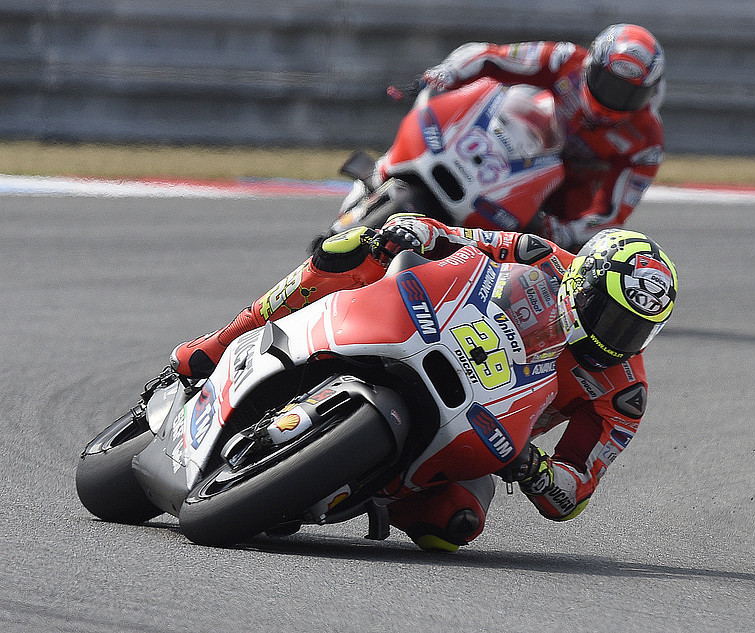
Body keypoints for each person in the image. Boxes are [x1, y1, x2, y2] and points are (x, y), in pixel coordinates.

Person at [171, 214, 677, 551]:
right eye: (610, 316)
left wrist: (536, 470)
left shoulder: (623, 395)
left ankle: (360, 487)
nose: (616, 338)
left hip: (486, 431)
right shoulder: (538, 255)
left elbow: (576, 488)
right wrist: (416, 232)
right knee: (351, 248)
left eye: (635, 330)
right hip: (438, 338)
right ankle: (224, 340)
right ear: (583, 281)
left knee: (455, 526)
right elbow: (459, 239)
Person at [420, 24, 666, 251]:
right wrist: (450, 72)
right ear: (590, 66)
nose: (612, 99)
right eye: (607, 83)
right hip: (521, 150)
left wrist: (568, 232)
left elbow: (612, 212)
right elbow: (490, 56)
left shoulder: (647, 142)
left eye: (628, 94)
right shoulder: (565, 59)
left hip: (565, 205)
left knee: (570, 259)